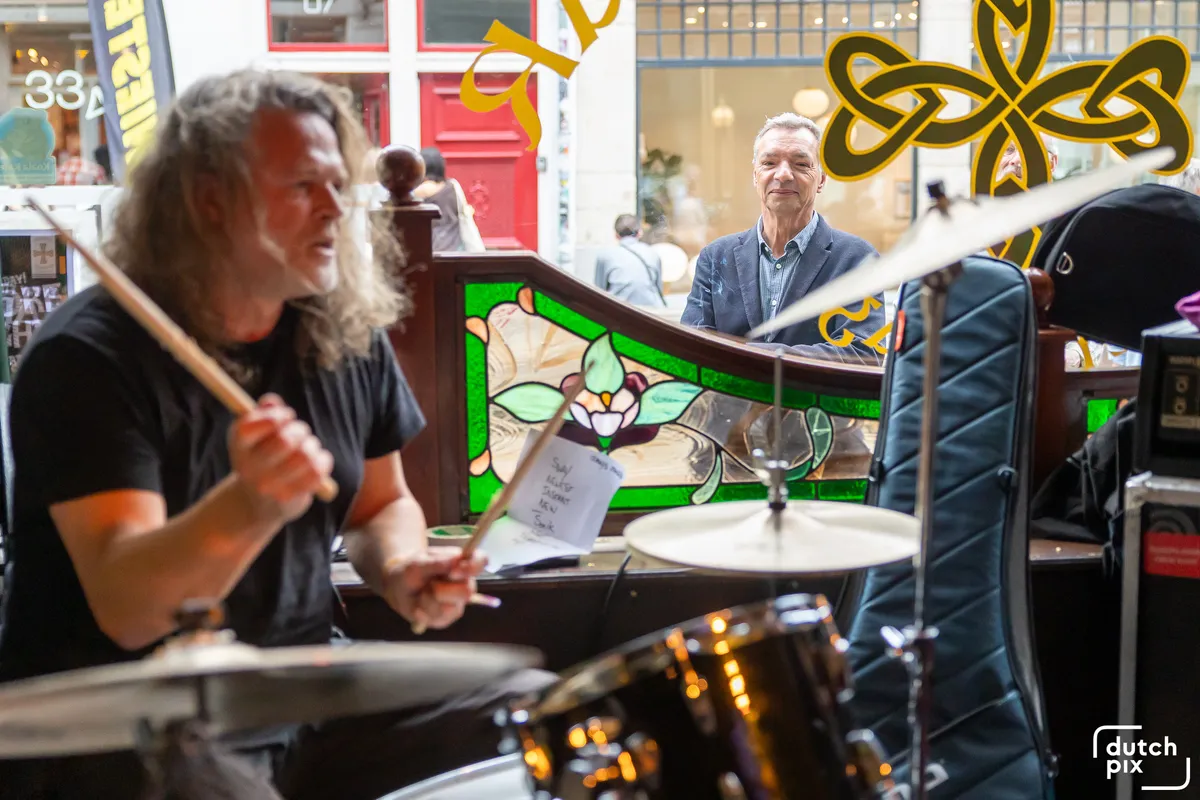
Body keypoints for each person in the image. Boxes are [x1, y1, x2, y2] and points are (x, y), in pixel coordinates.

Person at [0, 69, 551, 800]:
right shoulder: (90, 358)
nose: (334, 208)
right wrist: (249, 503)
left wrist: (403, 567)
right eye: (302, 186)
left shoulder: (341, 333)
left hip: (297, 691)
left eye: (338, 185)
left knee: (540, 719)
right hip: (127, 732)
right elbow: (129, 610)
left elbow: (380, 505)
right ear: (210, 201)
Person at [681, 113, 885, 363]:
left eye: (801, 164)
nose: (784, 174)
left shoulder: (857, 259)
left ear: (821, 180)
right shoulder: (715, 258)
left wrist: (761, 357)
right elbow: (690, 349)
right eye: (769, 163)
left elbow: (863, 354)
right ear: (755, 176)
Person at [413, 146, 485, 253]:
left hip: (429, 249)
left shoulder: (417, 191)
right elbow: (463, 215)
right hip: (454, 249)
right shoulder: (453, 186)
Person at [594, 214, 667, 308]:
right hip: (651, 310)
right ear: (640, 233)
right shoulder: (652, 253)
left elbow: (599, 291)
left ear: (616, 235)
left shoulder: (605, 256)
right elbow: (658, 288)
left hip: (619, 309)